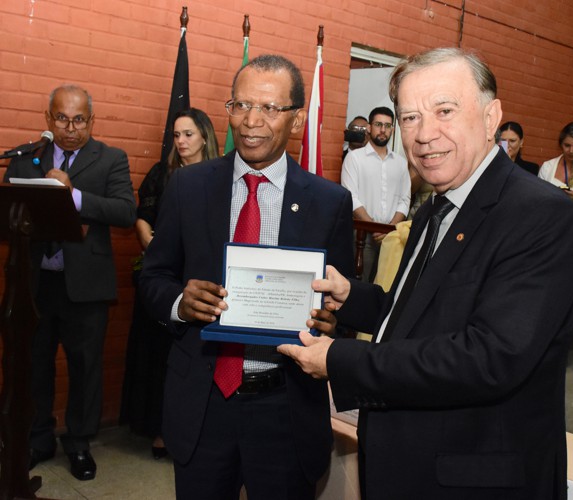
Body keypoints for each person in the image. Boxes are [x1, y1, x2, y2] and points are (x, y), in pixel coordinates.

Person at [279, 48, 573, 499]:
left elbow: (490, 357)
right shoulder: (434, 210)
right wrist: (351, 298)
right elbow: (421, 315)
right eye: (410, 118)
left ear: (490, 117)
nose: (424, 135)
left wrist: (339, 360)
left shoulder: (540, 214)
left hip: (474, 481)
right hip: (407, 467)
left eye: (444, 111)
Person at [138, 54, 354, 499]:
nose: (252, 121)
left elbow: (341, 303)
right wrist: (180, 303)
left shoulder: (329, 202)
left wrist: (332, 321)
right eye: (241, 105)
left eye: (270, 108)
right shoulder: (188, 186)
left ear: (297, 119)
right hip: (202, 403)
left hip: (285, 409)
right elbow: (153, 277)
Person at [3, 84, 136, 480]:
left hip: (86, 288)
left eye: (79, 120)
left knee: (85, 368)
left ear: (91, 121)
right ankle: (38, 439)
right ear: (49, 119)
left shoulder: (110, 158)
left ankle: (79, 444)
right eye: (62, 118)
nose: (71, 128)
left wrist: (73, 196)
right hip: (34, 284)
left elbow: (125, 212)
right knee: (35, 366)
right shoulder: (25, 159)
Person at [120, 108, 219, 460]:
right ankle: (158, 428)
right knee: (157, 358)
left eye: (188, 134)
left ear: (205, 136)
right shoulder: (162, 174)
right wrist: (159, 249)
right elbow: (142, 219)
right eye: (176, 135)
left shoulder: (219, 177)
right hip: (165, 281)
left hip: (201, 278)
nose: (181, 141)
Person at [341, 106, 411, 281]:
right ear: (369, 127)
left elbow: (405, 199)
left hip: (392, 236)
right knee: (360, 284)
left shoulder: (401, 163)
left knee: (386, 286)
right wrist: (374, 227)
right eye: (378, 124)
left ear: (392, 130)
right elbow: (351, 197)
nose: (383, 130)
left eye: (387, 126)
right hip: (362, 236)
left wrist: (390, 228)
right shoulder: (354, 158)